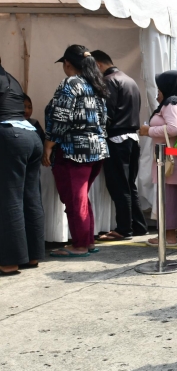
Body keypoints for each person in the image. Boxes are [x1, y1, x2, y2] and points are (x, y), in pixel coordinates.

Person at [45, 45, 109, 257]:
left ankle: (80, 245)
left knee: (75, 199)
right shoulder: (96, 84)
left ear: (68, 63)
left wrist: (49, 145)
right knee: (81, 198)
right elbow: (103, 120)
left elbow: (60, 118)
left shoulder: (70, 83)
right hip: (97, 148)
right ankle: (87, 241)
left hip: (74, 150)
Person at [91, 50, 148, 241]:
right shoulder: (129, 80)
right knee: (129, 185)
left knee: (119, 185)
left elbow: (107, 115)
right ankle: (138, 225)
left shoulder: (109, 81)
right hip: (132, 138)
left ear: (98, 65)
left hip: (116, 139)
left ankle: (124, 228)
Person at [138, 71, 177, 247]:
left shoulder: (171, 104)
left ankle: (168, 235)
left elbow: (173, 128)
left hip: (169, 157)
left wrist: (149, 131)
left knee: (168, 196)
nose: (157, 92)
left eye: (160, 87)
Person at [0, 58, 44, 275]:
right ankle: (33, 255)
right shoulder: (11, 79)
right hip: (30, 136)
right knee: (30, 196)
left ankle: (10, 261)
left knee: (10, 198)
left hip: (10, 136)